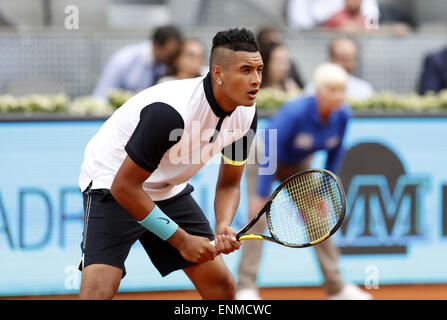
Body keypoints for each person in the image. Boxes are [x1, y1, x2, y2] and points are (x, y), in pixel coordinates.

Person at [77, 28, 263, 300]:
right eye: (245, 70)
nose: (256, 80)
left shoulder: (247, 114)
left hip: (167, 189)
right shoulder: (170, 113)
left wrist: (223, 224)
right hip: (112, 182)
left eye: (259, 70)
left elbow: (229, 183)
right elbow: (125, 188)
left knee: (222, 287)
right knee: (98, 293)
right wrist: (181, 240)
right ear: (218, 74)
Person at [235, 63, 372, 300]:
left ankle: (337, 288)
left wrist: (322, 193)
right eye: (333, 90)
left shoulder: (343, 115)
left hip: (298, 164)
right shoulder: (295, 112)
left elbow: (335, 153)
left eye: (342, 90)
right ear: (318, 91)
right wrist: (260, 195)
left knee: (320, 221)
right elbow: (271, 144)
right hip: (265, 157)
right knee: (256, 222)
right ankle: (246, 287)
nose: (339, 96)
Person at [92, 25, 182, 99]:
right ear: (156, 45)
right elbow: (101, 95)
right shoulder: (125, 59)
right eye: (169, 52)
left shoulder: (164, 64)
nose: (172, 56)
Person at [305, 37, 374, 100]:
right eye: (343, 59)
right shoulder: (313, 89)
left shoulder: (364, 89)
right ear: (331, 59)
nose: (349, 65)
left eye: (353, 59)